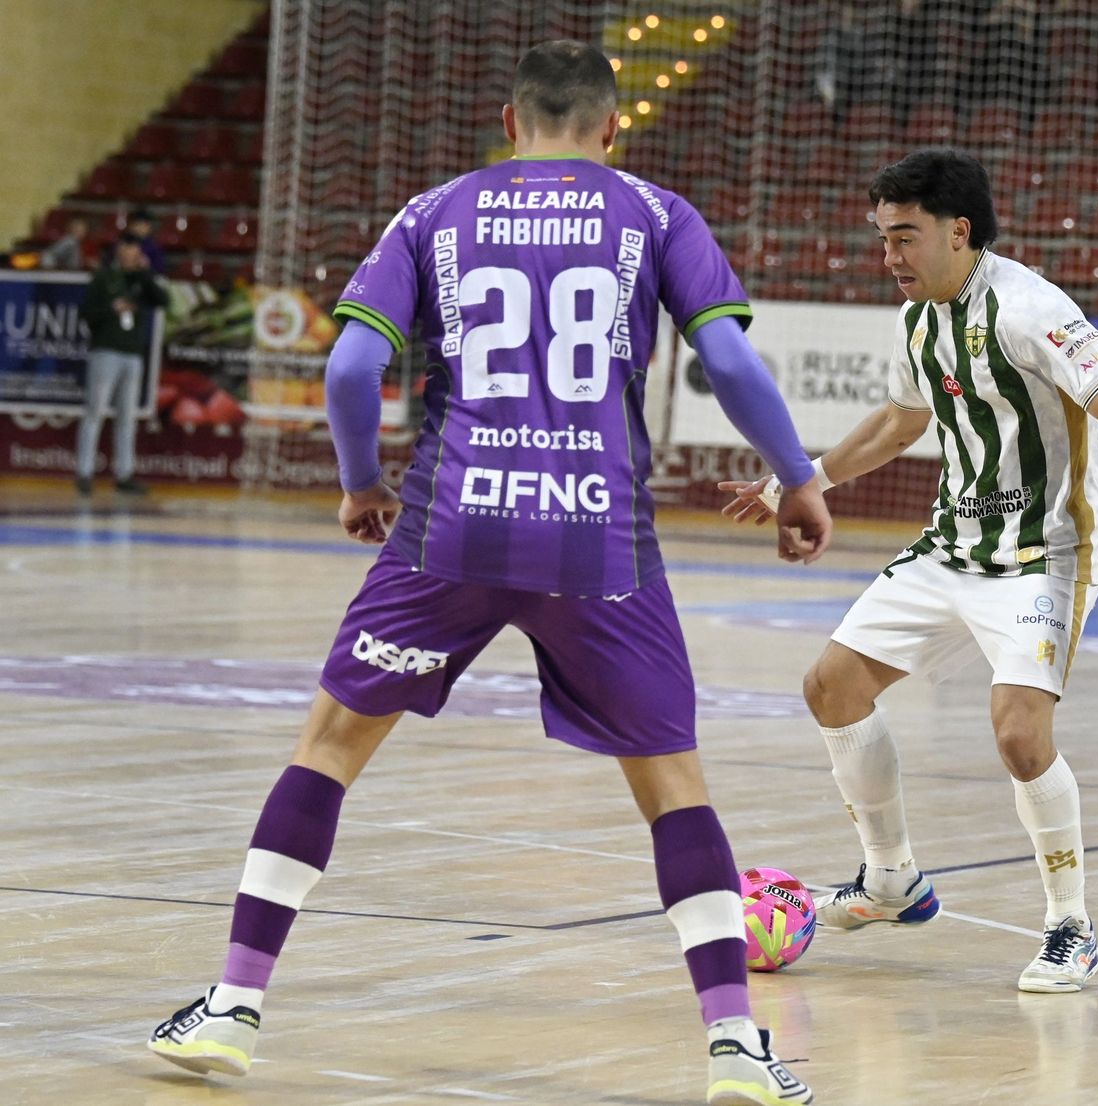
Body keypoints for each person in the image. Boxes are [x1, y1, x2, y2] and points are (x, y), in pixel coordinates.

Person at [146, 40, 828, 1106]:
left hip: (450, 528)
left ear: (508, 123)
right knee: (671, 788)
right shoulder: (657, 214)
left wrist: (361, 483)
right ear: (612, 128)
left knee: (328, 747)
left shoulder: (433, 212)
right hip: (598, 539)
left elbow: (352, 366)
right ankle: (736, 1046)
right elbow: (730, 361)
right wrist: (797, 477)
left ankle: (233, 1007)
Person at [720, 148, 1098, 994]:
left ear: (958, 232)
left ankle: (1071, 925)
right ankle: (892, 879)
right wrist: (795, 482)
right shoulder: (917, 318)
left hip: (1043, 554)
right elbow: (899, 423)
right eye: (882, 237)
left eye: (904, 236)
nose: (888, 255)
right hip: (952, 545)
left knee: (1019, 734)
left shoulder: (1030, 309)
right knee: (831, 687)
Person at [76, 231, 167, 496]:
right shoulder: (104, 278)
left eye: (136, 251)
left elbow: (163, 300)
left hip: (132, 355)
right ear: (119, 251)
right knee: (95, 411)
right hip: (106, 351)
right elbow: (86, 314)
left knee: (127, 417)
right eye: (128, 250)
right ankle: (84, 472)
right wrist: (111, 310)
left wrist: (145, 274)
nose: (132, 255)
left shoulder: (140, 280)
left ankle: (124, 474)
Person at [127, 207, 167, 274]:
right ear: (130, 226)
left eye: (143, 225)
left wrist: (148, 266)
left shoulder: (154, 247)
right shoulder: (122, 244)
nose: (139, 228)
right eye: (137, 224)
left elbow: (160, 270)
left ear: (150, 227)